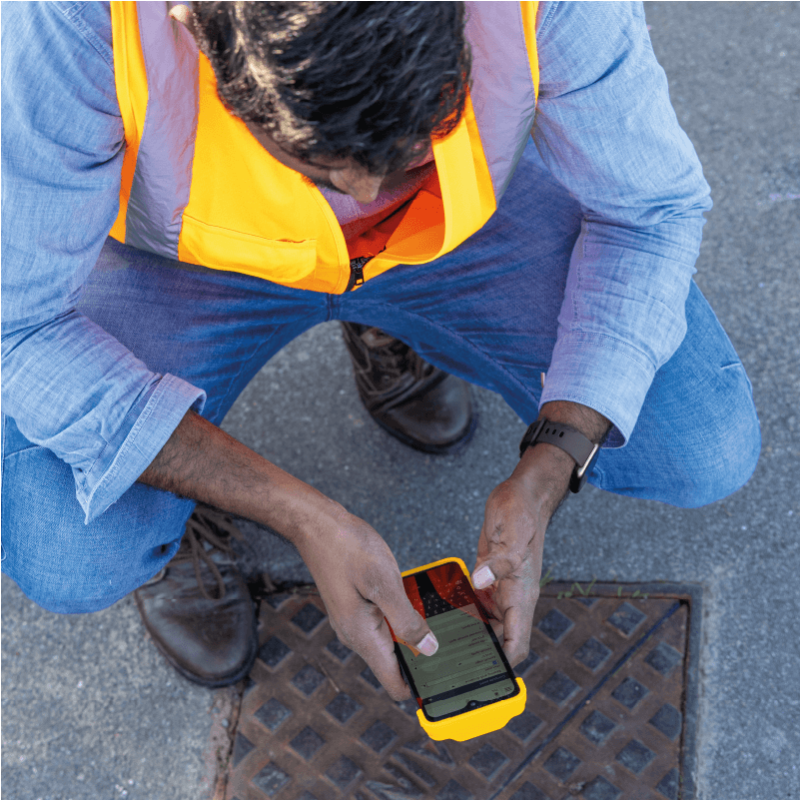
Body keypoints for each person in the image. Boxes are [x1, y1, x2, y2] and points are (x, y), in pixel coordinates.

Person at [0, 0, 760, 699]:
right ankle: (191, 489)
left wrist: (554, 459)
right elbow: (17, 324)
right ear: (194, 25)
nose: (367, 198)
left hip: (451, 243)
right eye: (322, 167)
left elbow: (649, 210)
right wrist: (289, 509)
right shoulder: (69, 19)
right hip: (182, 262)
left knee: (697, 444)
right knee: (70, 551)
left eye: (411, 155)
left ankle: (384, 316)